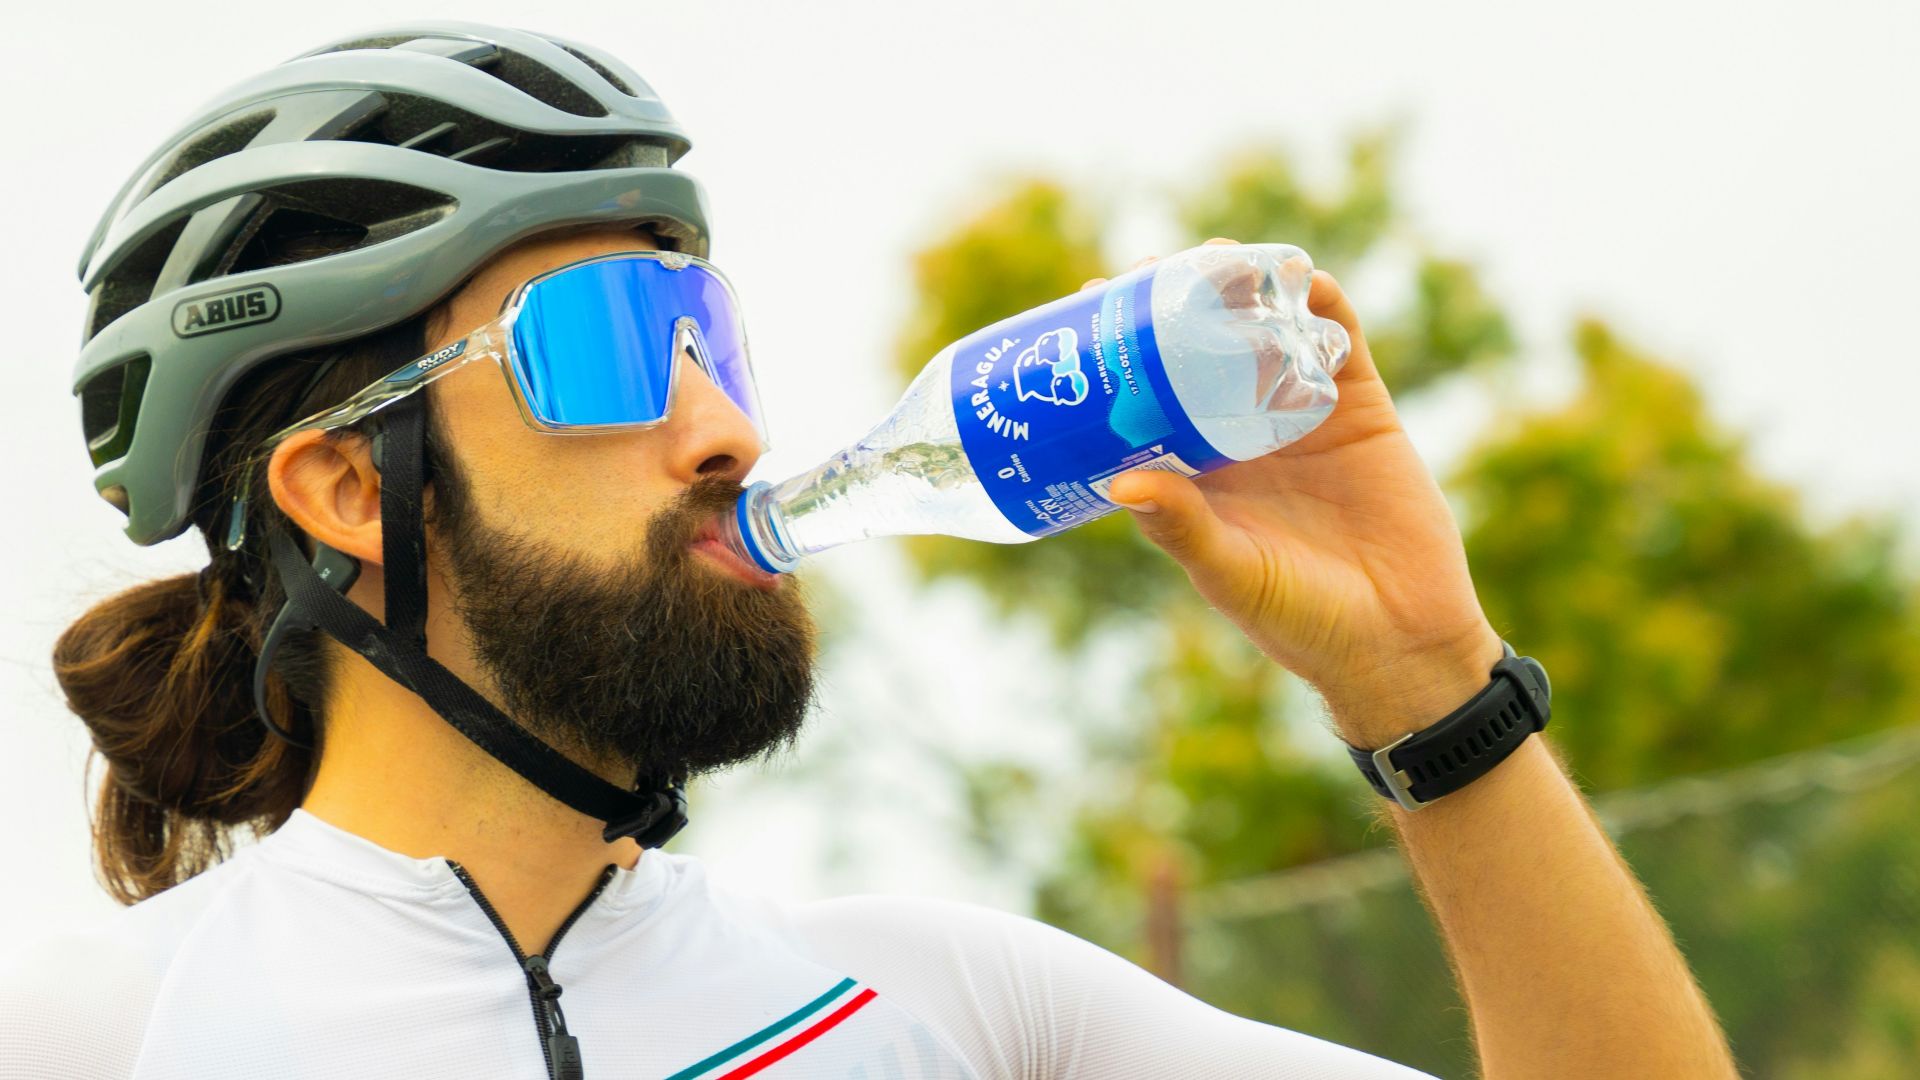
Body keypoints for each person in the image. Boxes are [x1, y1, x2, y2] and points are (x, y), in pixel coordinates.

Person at [1, 21, 1738, 1080]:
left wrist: (1427, 681)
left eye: (713, 334)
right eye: (610, 342)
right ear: (343, 488)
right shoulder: (92, 1049)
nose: (727, 426)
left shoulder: (955, 1010)